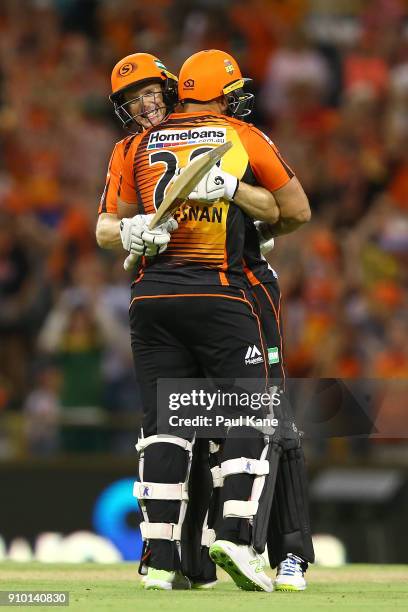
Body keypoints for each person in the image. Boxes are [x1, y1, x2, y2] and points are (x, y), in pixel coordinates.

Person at [96, 49, 310, 592]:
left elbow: (283, 217)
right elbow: (104, 227)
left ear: (174, 90)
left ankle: (241, 554)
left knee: (178, 428)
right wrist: (132, 230)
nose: (143, 107)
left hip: (171, 298)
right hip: (222, 295)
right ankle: (219, 546)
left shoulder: (138, 145)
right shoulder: (222, 134)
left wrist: (247, 212)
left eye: (149, 94)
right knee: (247, 418)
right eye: (131, 100)